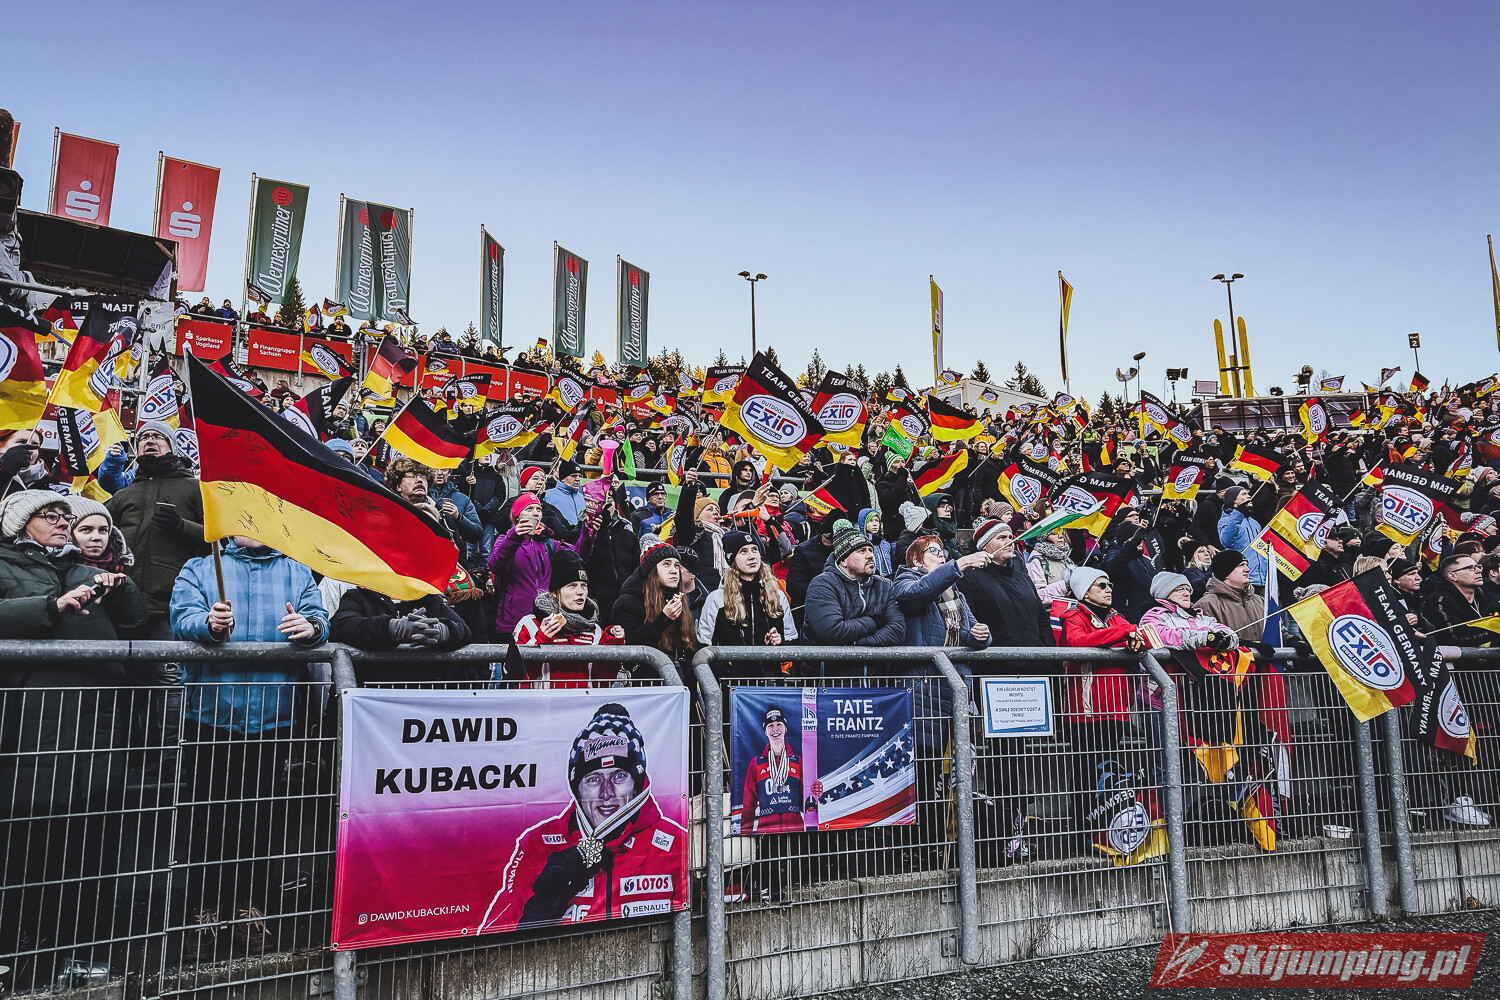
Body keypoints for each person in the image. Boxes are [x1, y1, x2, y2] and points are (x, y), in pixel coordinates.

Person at [0, 491, 147, 972]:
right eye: (51, 516)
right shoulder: (4, 564)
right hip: (31, 726)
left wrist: (121, 589)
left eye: (67, 516)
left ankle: (79, 952)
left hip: (97, 724)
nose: (63, 522)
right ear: (21, 524)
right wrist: (49, 605)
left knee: (89, 843)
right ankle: (16, 954)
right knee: (26, 842)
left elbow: (136, 624)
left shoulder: (86, 569)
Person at [169, 534, 329, 957]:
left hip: (274, 718)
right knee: (207, 818)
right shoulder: (200, 568)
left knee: (262, 819)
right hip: (212, 717)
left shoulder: (297, 572)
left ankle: (249, 910)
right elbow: (182, 617)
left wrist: (311, 628)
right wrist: (208, 624)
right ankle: (203, 913)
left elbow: (318, 618)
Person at [478, 704, 686, 930]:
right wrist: (542, 902)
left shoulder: (676, 843)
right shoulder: (539, 844)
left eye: (619, 776)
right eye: (594, 779)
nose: (606, 793)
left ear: (636, 784)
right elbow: (493, 935)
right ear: (576, 788)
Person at [1057, 566, 1148, 857]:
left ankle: (1104, 834)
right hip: (1086, 712)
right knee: (1086, 777)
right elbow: (1076, 642)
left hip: (1117, 711)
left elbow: (1141, 638)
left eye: (1109, 584)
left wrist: (1135, 640)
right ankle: (1081, 837)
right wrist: (1123, 633)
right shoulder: (1074, 616)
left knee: (1108, 776)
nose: (1109, 589)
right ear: (1085, 592)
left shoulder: (1116, 617)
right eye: (1101, 585)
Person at [105, 421, 207, 638]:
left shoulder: (196, 489)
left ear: (172, 446)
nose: (149, 440)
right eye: (143, 437)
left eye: (157, 436)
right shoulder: (124, 494)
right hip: (123, 602)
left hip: (173, 605)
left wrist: (182, 526)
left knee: (166, 661)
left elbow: (219, 541)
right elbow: (99, 537)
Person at [329, 570, 473, 686]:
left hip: (422, 692)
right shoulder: (359, 596)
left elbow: (463, 629)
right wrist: (392, 628)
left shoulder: (428, 598)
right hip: (373, 692)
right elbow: (341, 626)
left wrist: (442, 630)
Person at [490, 490, 600, 640]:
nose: (535, 513)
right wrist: (514, 537)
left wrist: (588, 531)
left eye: (538, 509)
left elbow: (577, 557)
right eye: (529, 509)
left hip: (545, 621)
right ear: (517, 516)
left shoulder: (549, 543)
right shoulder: (505, 539)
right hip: (512, 623)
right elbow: (495, 565)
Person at [508, 550, 626, 687]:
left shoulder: (595, 631)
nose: (580, 592)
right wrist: (540, 641)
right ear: (556, 592)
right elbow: (516, 679)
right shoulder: (530, 625)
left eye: (584, 585)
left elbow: (602, 683)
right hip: (543, 701)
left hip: (583, 701)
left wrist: (611, 643)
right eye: (572, 586)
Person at [801, 522, 905, 654]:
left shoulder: (884, 585)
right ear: (843, 560)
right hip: (830, 666)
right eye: (861, 551)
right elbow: (833, 631)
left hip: (875, 666)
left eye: (870, 550)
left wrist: (857, 645)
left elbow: (897, 631)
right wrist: (872, 622)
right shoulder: (822, 585)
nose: (870, 555)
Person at [697, 530, 798, 653]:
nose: (752, 556)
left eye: (755, 550)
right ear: (732, 558)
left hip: (769, 665)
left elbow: (791, 640)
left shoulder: (777, 596)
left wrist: (779, 642)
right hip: (730, 666)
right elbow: (704, 646)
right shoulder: (717, 599)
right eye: (743, 551)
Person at [610, 540, 699, 668]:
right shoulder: (627, 603)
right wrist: (663, 620)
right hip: (647, 678)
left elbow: (688, 647)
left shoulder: (678, 600)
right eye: (666, 564)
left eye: (677, 565)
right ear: (651, 570)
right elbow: (630, 648)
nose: (674, 571)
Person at [1196, 549, 1266, 643]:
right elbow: (1207, 640)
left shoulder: (1260, 601)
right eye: (1241, 565)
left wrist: (1287, 639)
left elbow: (1279, 631)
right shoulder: (1207, 605)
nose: (1247, 569)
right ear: (1226, 572)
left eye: (1246, 565)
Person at [1217, 486, 1268, 591]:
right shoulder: (1226, 521)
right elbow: (1226, 541)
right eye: (1244, 494)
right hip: (1242, 580)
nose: (1249, 496)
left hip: (1262, 580)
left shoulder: (1254, 522)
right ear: (1234, 500)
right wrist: (1238, 513)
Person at [1026, 527, 1075, 595]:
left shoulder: (1066, 558)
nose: (1060, 536)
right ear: (1044, 538)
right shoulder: (1037, 562)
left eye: (1061, 532)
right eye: (1054, 534)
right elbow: (1039, 595)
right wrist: (1065, 586)